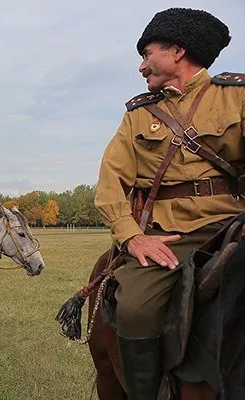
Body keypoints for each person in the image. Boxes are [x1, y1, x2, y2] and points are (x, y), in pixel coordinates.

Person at [94, 8, 244, 399]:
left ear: (177, 50)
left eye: (147, 54)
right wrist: (132, 238)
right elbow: (110, 186)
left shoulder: (237, 97)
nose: (141, 67)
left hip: (232, 225)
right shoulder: (138, 115)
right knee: (136, 309)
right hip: (168, 236)